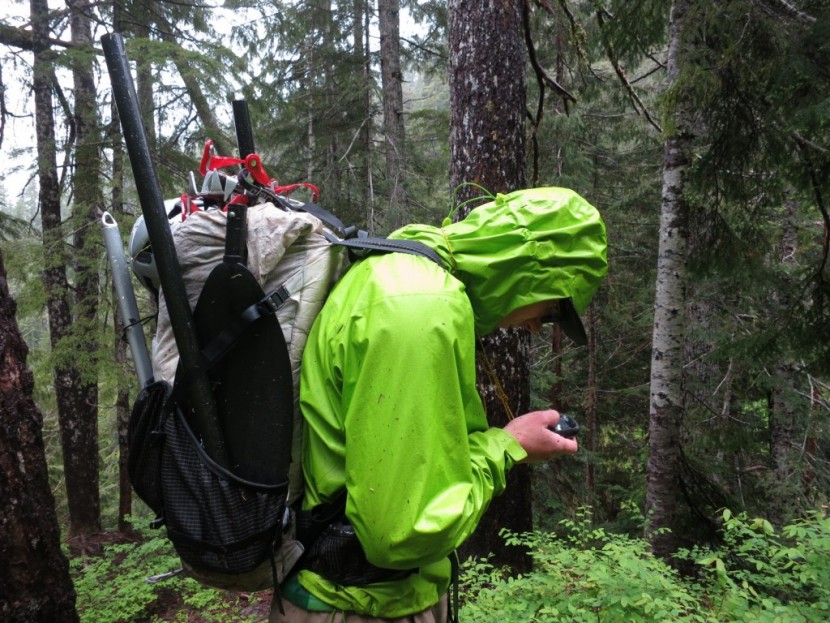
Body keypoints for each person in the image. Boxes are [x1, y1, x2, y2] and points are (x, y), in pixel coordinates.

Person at [278, 187, 608, 622]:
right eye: (551, 312)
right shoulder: (422, 306)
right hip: (358, 605)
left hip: (361, 595)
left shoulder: (399, 271)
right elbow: (403, 533)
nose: (535, 327)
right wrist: (507, 447)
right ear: (533, 271)